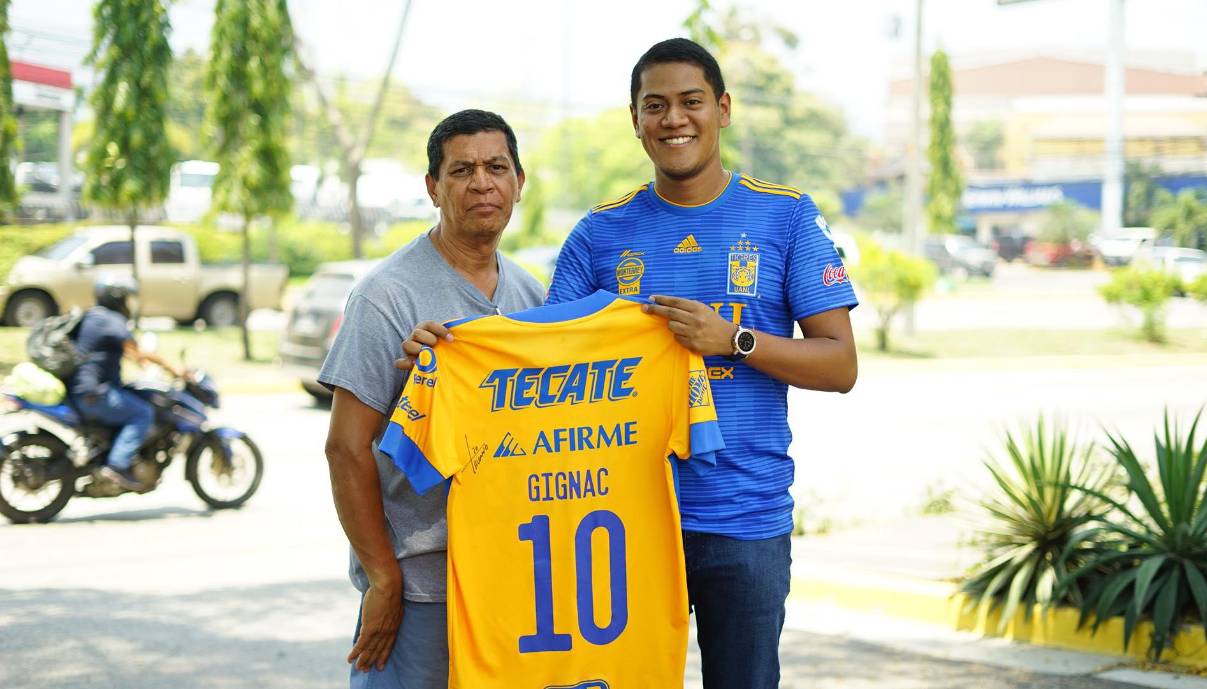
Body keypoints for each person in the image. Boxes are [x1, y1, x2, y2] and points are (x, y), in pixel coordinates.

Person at [544, 38, 859, 689]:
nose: (673, 119)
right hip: (621, 521)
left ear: (723, 109)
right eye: (655, 106)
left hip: (744, 517)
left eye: (691, 101)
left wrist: (734, 340)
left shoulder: (786, 216)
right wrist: (449, 346)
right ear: (635, 119)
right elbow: (544, 361)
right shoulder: (599, 233)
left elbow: (840, 365)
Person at [319, 109, 544, 689]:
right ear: (433, 188)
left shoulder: (532, 296)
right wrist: (383, 579)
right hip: (422, 588)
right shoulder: (387, 296)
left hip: (513, 581)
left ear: (519, 182)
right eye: (461, 170)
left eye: (497, 167)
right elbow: (346, 448)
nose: (482, 183)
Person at [67, 273, 183, 491]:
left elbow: (126, 354)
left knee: (132, 397)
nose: (128, 304)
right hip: (95, 394)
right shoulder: (111, 320)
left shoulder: (93, 316)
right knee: (143, 413)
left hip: (82, 391)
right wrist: (172, 368)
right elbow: (137, 352)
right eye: (126, 299)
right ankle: (118, 465)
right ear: (117, 298)